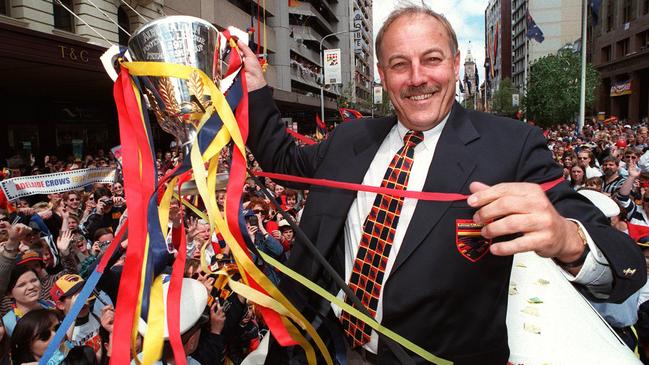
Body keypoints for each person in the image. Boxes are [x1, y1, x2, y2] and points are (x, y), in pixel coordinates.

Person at [240, 5, 645, 364]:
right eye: (399, 64)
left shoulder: (512, 145)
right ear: (382, 74)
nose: (417, 78)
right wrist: (257, 88)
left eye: (431, 60)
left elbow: (624, 263)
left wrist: (567, 240)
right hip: (327, 347)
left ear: (454, 64)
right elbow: (283, 162)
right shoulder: (351, 138)